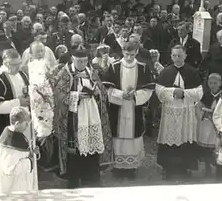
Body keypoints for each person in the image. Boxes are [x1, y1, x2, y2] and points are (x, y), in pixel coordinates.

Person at [53, 45, 113, 188]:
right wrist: (76, 96)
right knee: (75, 148)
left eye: (85, 61)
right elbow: (58, 96)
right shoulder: (65, 74)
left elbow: (102, 92)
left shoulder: (91, 72)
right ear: (73, 59)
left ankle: (91, 175)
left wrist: (97, 92)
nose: (82, 64)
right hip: (74, 116)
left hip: (92, 114)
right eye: (79, 61)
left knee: (91, 144)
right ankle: (74, 178)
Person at [103, 41, 155, 179]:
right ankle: (117, 166)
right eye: (126, 54)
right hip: (118, 108)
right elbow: (107, 88)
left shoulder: (142, 68)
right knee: (117, 135)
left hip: (134, 107)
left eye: (132, 55)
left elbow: (148, 89)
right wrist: (121, 95)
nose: (129, 58)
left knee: (133, 134)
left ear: (137, 52)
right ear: (122, 52)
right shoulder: (114, 67)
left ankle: (132, 167)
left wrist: (135, 96)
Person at [156, 45, 204, 180]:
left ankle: (184, 168)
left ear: (185, 56)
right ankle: (168, 168)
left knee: (185, 137)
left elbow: (199, 91)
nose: (177, 58)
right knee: (169, 138)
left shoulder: (192, 72)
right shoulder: (165, 72)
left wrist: (184, 93)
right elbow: (158, 90)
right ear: (171, 56)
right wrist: (172, 92)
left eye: (180, 55)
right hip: (170, 112)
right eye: (174, 55)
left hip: (186, 112)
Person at [0, 107, 38, 194]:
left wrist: (32, 152)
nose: (27, 127)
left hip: (17, 182)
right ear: (17, 123)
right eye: (26, 124)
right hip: (11, 188)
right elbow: (10, 169)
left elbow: (21, 154)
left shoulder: (16, 134)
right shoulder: (9, 143)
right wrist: (30, 162)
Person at [0, 49, 30, 142]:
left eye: (19, 63)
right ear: (5, 63)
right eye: (14, 65)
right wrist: (18, 102)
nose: (18, 67)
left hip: (25, 123)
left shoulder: (22, 74)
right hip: (5, 124)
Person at [195, 73, 222, 176]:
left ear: (220, 84)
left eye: (215, 83)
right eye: (210, 83)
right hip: (207, 125)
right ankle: (207, 168)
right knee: (206, 149)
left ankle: (218, 169)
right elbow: (199, 107)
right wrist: (203, 113)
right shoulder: (205, 95)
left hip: (217, 126)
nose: (213, 85)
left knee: (217, 148)